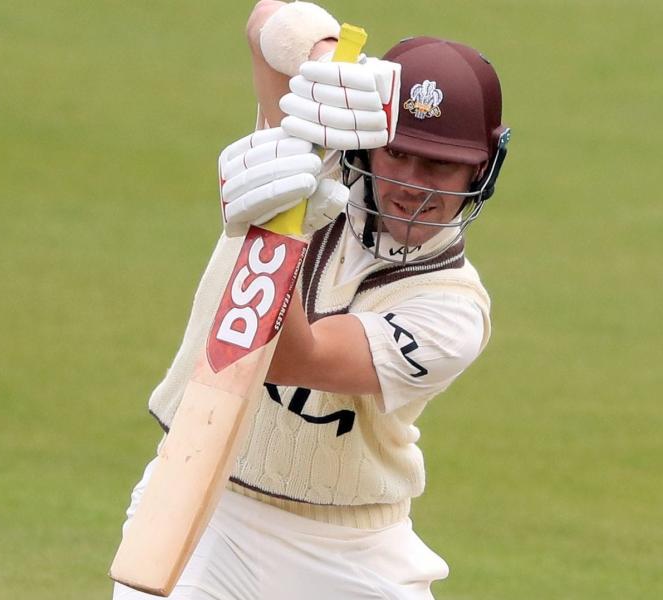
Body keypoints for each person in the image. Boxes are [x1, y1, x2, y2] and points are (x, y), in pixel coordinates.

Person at [113, 1, 510, 598]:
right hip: (200, 495)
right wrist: (330, 63)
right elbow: (265, 22)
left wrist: (276, 228)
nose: (410, 186)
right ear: (368, 139)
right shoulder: (312, 150)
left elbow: (293, 358)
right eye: (397, 153)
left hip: (347, 550)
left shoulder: (454, 310)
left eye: (439, 167)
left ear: (481, 171)